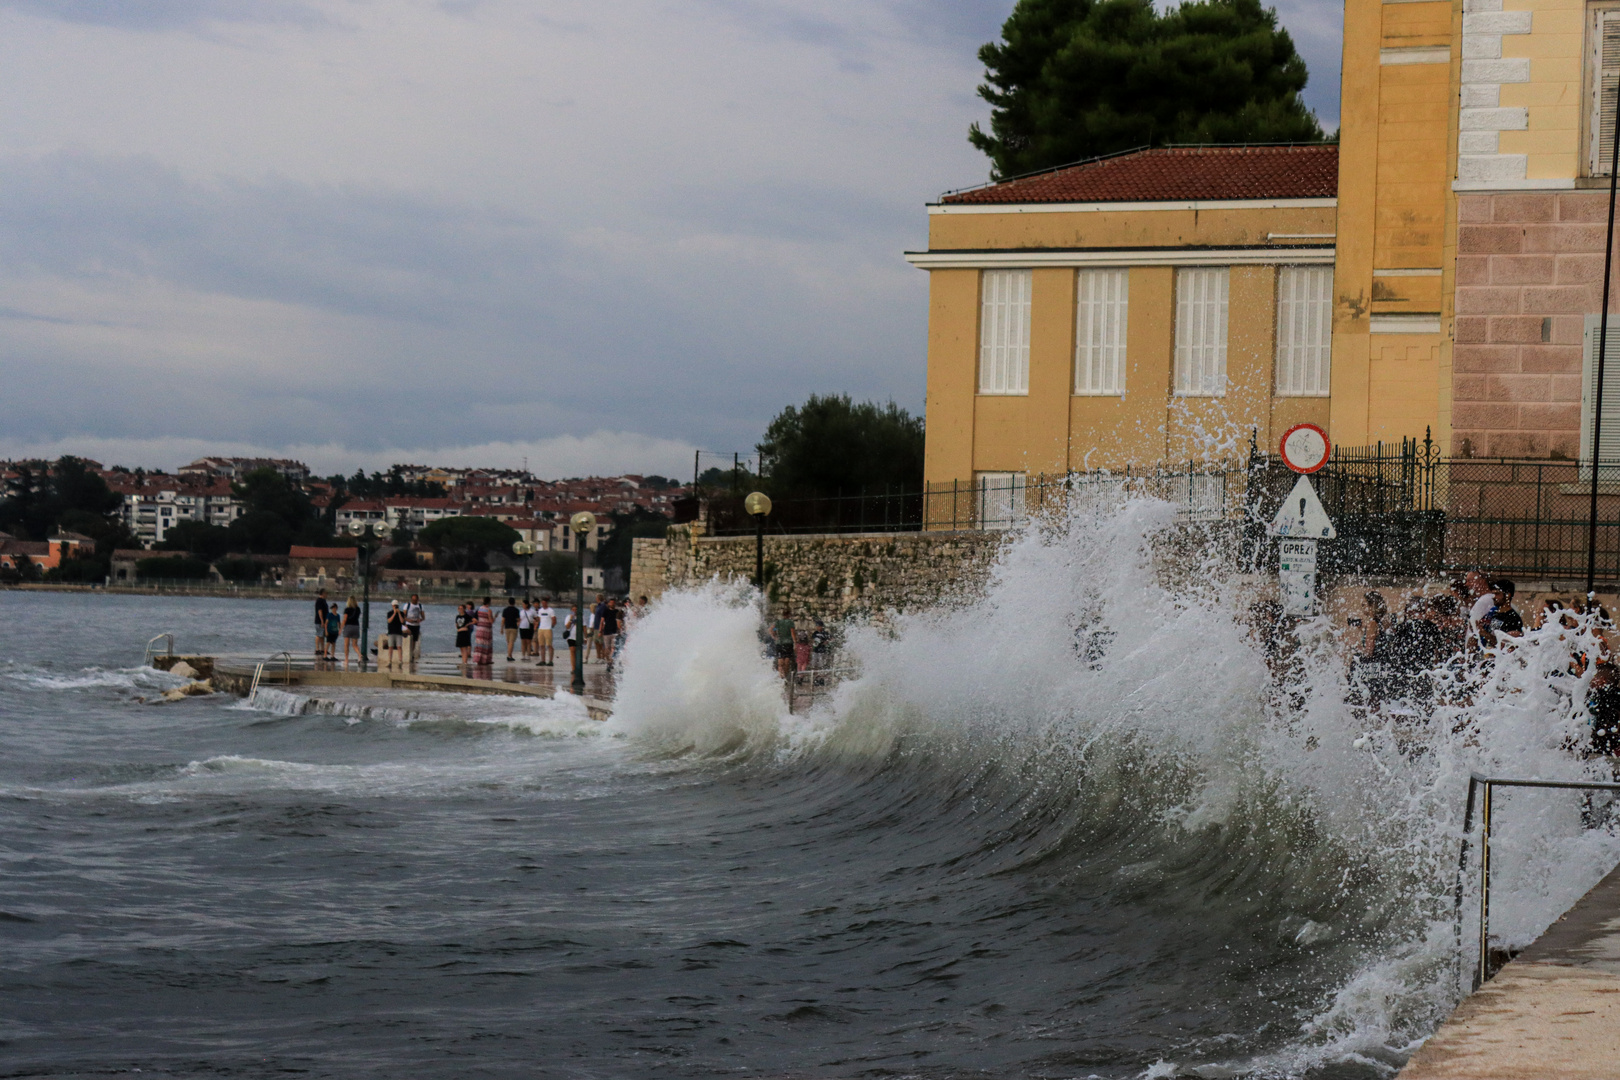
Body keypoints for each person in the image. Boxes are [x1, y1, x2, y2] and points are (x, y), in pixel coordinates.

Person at [771, 605, 798, 681]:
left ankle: (780, 676)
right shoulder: (790, 622)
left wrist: (775, 637)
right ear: (789, 615)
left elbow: (771, 630)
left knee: (780, 660)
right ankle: (785, 677)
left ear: (783, 615)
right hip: (788, 643)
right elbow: (792, 633)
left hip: (779, 643)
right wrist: (795, 643)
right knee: (787, 660)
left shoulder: (778, 623)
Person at [599, 597, 621, 670]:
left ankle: (611, 662)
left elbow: (619, 621)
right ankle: (608, 661)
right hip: (607, 632)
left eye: (613, 603)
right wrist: (600, 630)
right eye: (611, 602)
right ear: (608, 603)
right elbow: (602, 621)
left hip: (614, 632)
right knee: (607, 649)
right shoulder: (606, 611)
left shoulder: (617, 611)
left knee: (613, 648)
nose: (612, 604)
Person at [472, 597, 495, 667]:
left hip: (479, 628)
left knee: (479, 644)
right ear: (489, 602)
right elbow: (491, 621)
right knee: (486, 644)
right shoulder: (489, 610)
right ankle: (485, 660)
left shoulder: (479, 609)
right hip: (486, 629)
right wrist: (495, 618)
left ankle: (478, 659)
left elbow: (474, 618)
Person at [404, 594, 426, 661]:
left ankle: (411, 653)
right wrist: (408, 620)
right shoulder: (407, 605)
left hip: (416, 625)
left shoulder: (420, 606)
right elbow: (403, 616)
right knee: (407, 639)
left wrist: (420, 620)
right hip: (408, 624)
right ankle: (406, 653)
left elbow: (423, 617)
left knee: (414, 640)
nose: (414, 601)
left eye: (415, 600)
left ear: (417, 599)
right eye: (413, 599)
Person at [341, 594, 362, 663]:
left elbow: (345, 619)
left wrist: (341, 628)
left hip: (348, 627)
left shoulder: (347, 609)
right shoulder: (358, 609)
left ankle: (346, 659)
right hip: (356, 627)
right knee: (354, 645)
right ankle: (359, 655)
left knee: (346, 645)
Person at [535, 596, 555, 666]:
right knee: (541, 645)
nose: (543, 604)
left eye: (544, 603)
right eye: (542, 603)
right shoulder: (540, 611)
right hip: (541, 629)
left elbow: (554, 619)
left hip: (548, 629)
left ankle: (550, 660)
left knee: (549, 645)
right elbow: (539, 619)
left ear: (546, 603)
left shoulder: (550, 611)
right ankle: (543, 660)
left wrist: (551, 626)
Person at [384, 601, 405, 666]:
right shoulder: (389, 613)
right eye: (394, 605)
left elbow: (402, 621)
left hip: (398, 632)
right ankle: (389, 660)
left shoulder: (401, 613)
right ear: (392, 606)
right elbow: (389, 621)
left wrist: (398, 613)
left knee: (399, 646)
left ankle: (400, 660)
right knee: (390, 647)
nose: (395, 607)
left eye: (396, 606)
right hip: (391, 632)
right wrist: (394, 613)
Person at [563, 603, 582, 673]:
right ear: (571, 610)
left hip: (578, 636)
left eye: (576, 609)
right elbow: (567, 627)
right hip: (570, 636)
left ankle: (578, 667)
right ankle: (573, 668)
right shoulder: (568, 617)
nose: (574, 611)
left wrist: (585, 637)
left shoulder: (581, 617)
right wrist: (571, 619)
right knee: (572, 650)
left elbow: (584, 627)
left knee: (578, 651)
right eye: (573, 609)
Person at [501, 597, 521, 662]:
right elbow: (518, 620)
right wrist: (518, 625)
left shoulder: (505, 610)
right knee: (511, 642)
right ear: (514, 602)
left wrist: (501, 628)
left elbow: (503, 620)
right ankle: (509, 655)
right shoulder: (516, 610)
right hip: (514, 627)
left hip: (507, 627)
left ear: (508, 602)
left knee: (508, 642)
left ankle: (510, 654)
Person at [314, 589, 331, 659]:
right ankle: (317, 649)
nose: (327, 595)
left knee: (322, 635)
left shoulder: (323, 601)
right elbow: (319, 611)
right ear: (323, 593)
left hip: (324, 620)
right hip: (319, 621)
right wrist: (322, 621)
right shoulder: (319, 601)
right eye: (326, 594)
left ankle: (322, 649)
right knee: (319, 634)